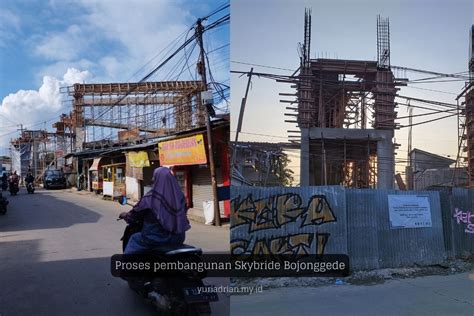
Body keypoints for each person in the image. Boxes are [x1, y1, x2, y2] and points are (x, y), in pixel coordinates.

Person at [119, 167, 191, 254]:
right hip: (178, 237)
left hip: (155, 238)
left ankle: (126, 266)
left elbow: (135, 214)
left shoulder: (151, 198)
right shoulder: (180, 197)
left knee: (134, 240)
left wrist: (126, 215)